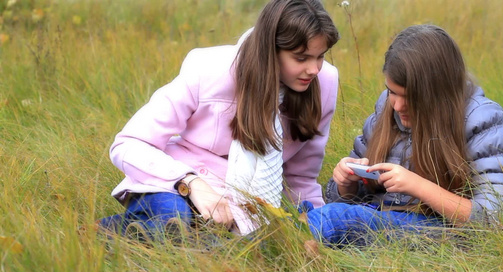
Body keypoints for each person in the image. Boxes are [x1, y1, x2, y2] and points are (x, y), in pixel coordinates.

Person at [97, 0, 340, 242]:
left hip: (245, 202)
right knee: (175, 221)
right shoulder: (209, 69)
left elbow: (301, 177)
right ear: (270, 50)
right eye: (301, 58)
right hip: (177, 185)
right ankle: (122, 236)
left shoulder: (324, 83)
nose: (314, 69)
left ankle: (124, 236)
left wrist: (312, 227)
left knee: (284, 237)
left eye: (320, 57)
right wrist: (191, 184)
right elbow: (128, 144)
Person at [303, 24, 503, 247]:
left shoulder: (484, 120)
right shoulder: (387, 110)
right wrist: (345, 185)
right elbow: (354, 198)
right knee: (310, 214)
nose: (397, 105)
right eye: (392, 92)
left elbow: (498, 219)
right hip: (381, 220)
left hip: (441, 232)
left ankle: (287, 246)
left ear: (438, 91)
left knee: (335, 219)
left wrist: (417, 186)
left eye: (410, 96)